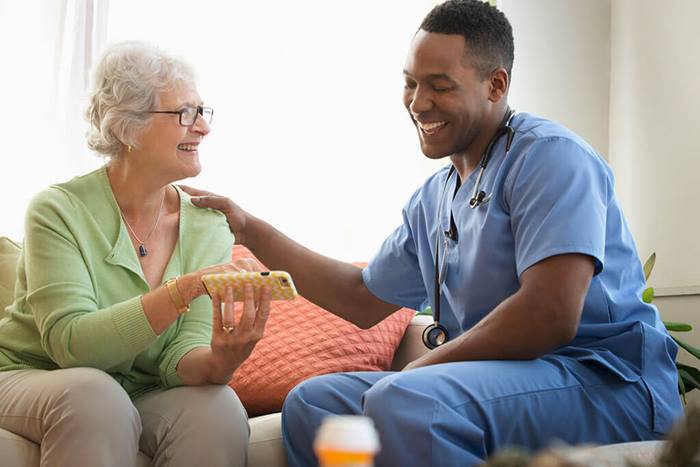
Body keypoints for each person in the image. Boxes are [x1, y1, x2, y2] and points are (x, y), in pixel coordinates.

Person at [183, 1, 684, 465]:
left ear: (496, 85)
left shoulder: (550, 157)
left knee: (408, 398)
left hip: (607, 381)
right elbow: (360, 298)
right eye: (410, 83)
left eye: (439, 85)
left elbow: (549, 314)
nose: (418, 103)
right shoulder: (435, 196)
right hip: (515, 381)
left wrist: (427, 366)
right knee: (314, 404)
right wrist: (250, 228)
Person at [0, 41, 271, 467]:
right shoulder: (57, 210)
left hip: (138, 388)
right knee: (94, 396)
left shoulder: (206, 224)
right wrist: (181, 290)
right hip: (35, 375)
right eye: (185, 113)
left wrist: (223, 359)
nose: (203, 127)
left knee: (216, 409)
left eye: (203, 111)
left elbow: (181, 356)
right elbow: (70, 345)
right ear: (128, 125)